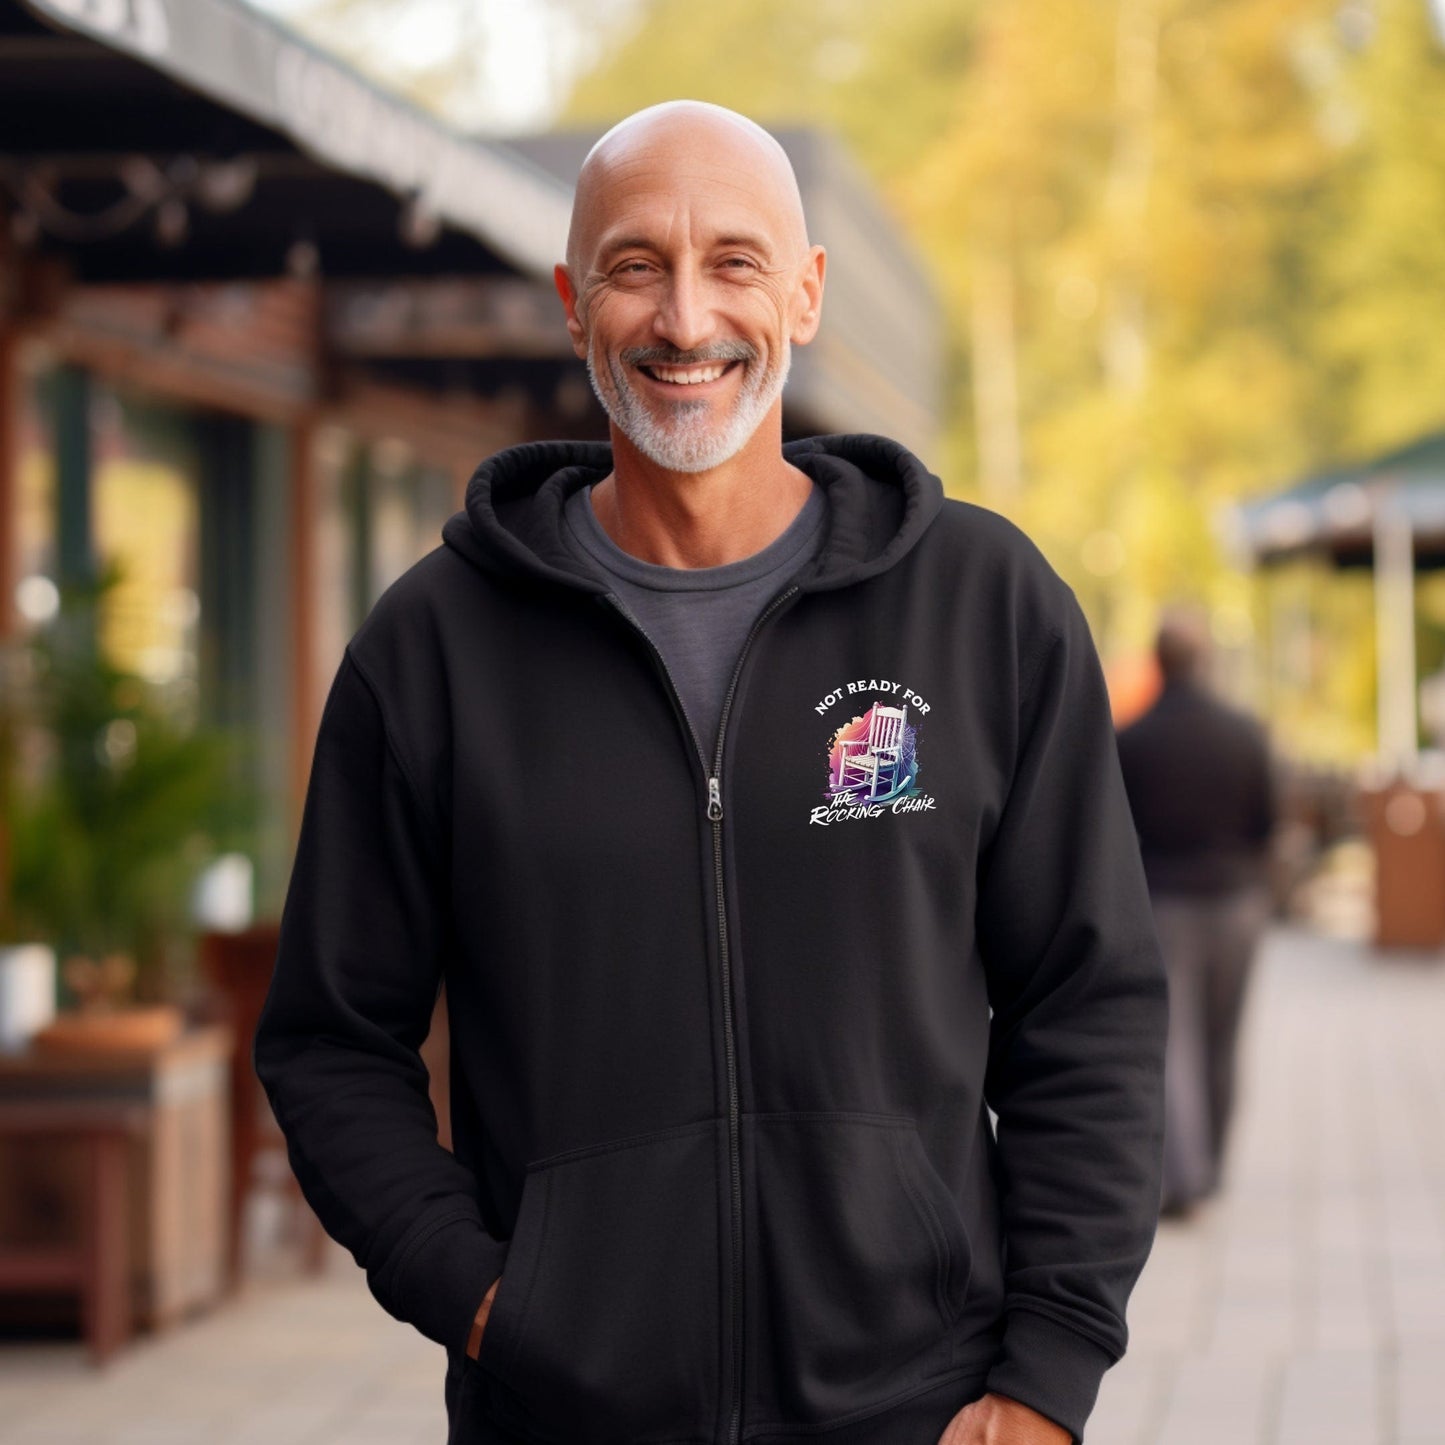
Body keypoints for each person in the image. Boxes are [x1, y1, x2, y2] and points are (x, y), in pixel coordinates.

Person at [252, 99, 1167, 1445]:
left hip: (918, 1413)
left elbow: (1090, 1006)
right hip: (564, 1417)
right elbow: (331, 1040)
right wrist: (491, 1297)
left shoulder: (982, 610)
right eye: (636, 267)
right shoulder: (434, 645)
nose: (685, 318)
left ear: (803, 295)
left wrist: (1048, 1375)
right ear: (574, 304)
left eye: (734, 262)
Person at [1115, 603, 1279, 1217]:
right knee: (1223, 1038)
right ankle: (1210, 1167)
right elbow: (1269, 822)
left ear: (1158, 660)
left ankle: (1181, 1177)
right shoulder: (1245, 732)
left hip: (1163, 903)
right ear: (1203, 658)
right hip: (1237, 903)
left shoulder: (1131, 740)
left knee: (1173, 1042)